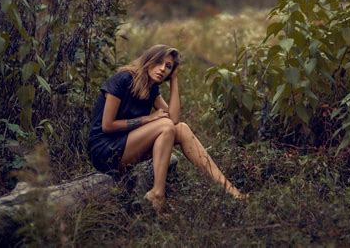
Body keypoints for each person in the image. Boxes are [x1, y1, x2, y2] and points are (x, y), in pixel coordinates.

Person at [87, 44, 245, 212]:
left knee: (181, 128)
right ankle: (158, 193)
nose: (162, 69)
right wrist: (148, 119)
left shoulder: (152, 87)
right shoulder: (123, 79)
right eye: (159, 62)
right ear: (149, 60)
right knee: (165, 126)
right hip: (104, 150)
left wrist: (174, 81)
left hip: (127, 147)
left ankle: (231, 190)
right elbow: (107, 125)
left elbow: (174, 119)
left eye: (168, 67)